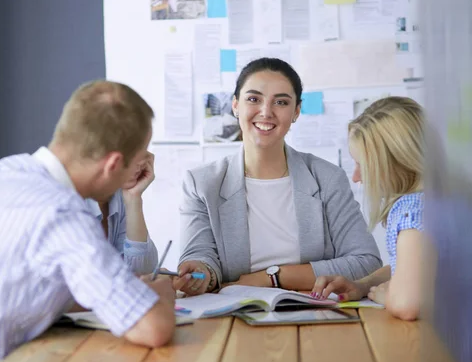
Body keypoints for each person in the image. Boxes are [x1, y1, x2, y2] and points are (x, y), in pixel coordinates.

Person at [0, 81, 176, 358]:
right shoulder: (63, 214)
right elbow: (153, 329)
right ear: (112, 165)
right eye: (136, 162)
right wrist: (159, 297)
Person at [175, 58, 382, 295]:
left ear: (295, 112)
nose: (266, 112)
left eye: (281, 102)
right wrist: (203, 273)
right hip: (234, 313)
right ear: (235, 106)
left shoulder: (327, 178)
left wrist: (270, 278)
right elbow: (201, 258)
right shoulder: (201, 183)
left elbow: (366, 262)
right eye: (253, 99)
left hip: (312, 312)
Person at [310, 97, 425, 321]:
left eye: (363, 165)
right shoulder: (437, 200)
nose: (356, 176)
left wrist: (387, 296)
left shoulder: (412, 211)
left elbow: (408, 305)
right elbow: (406, 265)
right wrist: (363, 285)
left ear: (395, 162)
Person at [84, 152, 158, 275]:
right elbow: (91, 278)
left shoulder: (118, 195)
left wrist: (134, 198)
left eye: (144, 149)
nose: (142, 163)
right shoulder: (73, 199)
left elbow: (141, 271)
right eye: (133, 150)